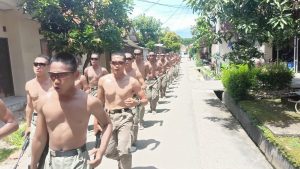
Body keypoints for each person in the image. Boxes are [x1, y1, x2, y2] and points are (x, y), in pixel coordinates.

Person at [30, 52, 112, 169]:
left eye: (62, 75)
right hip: (51, 161)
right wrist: (33, 164)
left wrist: (101, 151)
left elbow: (107, 124)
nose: (56, 81)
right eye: (52, 75)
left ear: (76, 75)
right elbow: (39, 137)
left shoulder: (89, 102)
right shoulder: (44, 101)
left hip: (78, 160)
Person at [95, 52, 147, 169]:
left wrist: (136, 102)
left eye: (120, 63)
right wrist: (95, 122)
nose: (117, 66)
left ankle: (124, 162)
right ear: (110, 64)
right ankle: (122, 160)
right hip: (108, 119)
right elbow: (98, 103)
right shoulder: (103, 80)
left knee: (124, 150)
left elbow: (145, 100)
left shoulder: (132, 81)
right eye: (114, 63)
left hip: (125, 117)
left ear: (125, 64)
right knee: (108, 151)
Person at [25, 54, 52, 138]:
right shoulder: (29, 84)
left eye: (42, 64)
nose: (38, 66)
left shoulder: (55, 83)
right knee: (34, 149)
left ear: (49, 67)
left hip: (53, 119)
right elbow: (29, 106)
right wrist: (28, 125)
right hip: (36, 120)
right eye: (35, 64)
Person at [124, 52, 146, 146]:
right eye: (125, 59)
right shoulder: (118, 72)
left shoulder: (136, 73)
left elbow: (143, 83)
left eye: (129, 59)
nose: (126, 60)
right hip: (122, 100)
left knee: (134, 121)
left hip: (134, 99)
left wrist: (140, 89)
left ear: (132, 60)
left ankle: (133, 142)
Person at [132, 49, 147, 129]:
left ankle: (140, 122)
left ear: (141, 54)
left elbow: (147, 74)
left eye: (139, 54)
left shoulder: (145, 64)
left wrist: (144, 84)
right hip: (132, 89)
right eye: (135, 54)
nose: (137, 55)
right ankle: (135, 121)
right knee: (133, 106)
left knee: (141, 106)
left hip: (141, 87)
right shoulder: (131, 64)